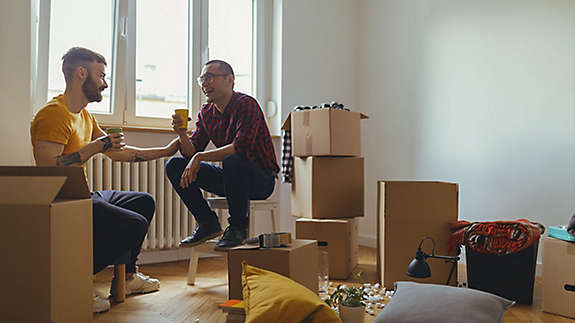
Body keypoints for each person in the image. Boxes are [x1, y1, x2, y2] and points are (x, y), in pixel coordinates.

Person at [30, 47, 179, 313]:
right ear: (81, 73)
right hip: (63, 200)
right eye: (101, 76)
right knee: (134, 224)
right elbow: (48, 168)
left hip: (85, 194)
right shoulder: (54, 114)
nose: (105, 83)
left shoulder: (84, 116)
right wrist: (94, 148)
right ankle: (71, 284)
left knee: (143, 202)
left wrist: (167, 151)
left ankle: (129, 278)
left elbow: (118, 153)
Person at [165, 60, 278, 251]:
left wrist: (199, 158)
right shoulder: (206, 112)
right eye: (202, 78)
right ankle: (207, 223)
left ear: (230, 79)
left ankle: (238, 227)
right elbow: (191, 151)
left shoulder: (246, 104)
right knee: (175, 165)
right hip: (231, 179)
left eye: (210, 77)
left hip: (260, 180)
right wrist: (182, 133)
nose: (204, 84)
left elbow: (239, 147)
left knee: (232, 160)